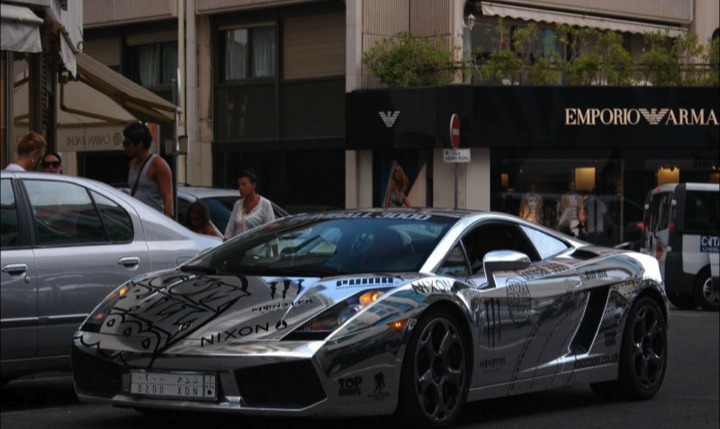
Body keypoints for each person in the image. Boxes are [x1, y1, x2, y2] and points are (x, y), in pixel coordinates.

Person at [123, 123, 173, 218]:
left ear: (140, 144)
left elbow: (168, 198)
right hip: (137, 219)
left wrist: (167, 223)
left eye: (127, 144)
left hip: (153, 220)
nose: (125, 147)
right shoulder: (132, 164)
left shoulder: (158, 165)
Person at [224, 169, 276, 241]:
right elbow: (229, 231)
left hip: (258, 247)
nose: (240, 188)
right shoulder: (237, 205)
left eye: (244, 184)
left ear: (253, 185)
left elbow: (271, 230)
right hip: (239, 247)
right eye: (239, 185)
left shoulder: (265, 204)